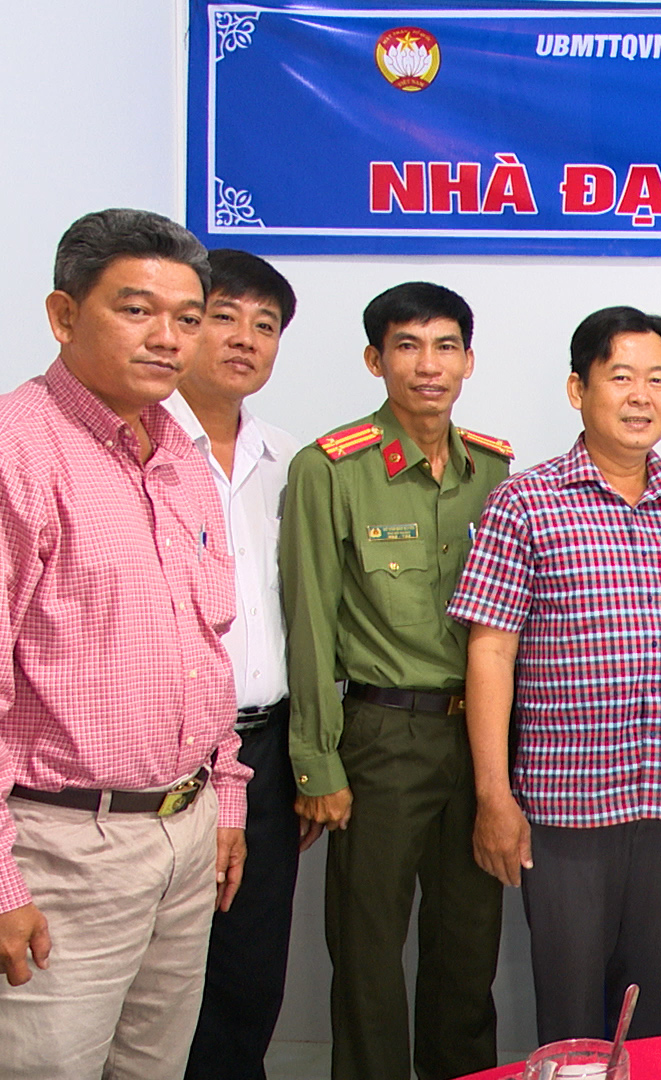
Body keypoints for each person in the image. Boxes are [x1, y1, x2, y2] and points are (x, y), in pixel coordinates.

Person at [0, 208, 249, 1080]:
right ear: (64, 315)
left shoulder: (179, 454)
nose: (168, 338)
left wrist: (224, 797)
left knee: (153, 1068)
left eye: (188, 317)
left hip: (184, 834)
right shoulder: (17, 452)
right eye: (136, 310)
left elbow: (206, 645)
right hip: (61, 847)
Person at [451, 305, 661, 1042]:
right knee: (571, 1020)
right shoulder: (525, 503)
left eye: (658, 379)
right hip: (565, 809)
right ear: (578, 389)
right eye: (620, 377)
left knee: (657, 1015)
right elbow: (490, 653)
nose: (641, 396)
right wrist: (493, 795)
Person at [281, 281, 513, 1080]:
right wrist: (317, 761)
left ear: (469, 361)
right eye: (407, 347)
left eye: (445, 346)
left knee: (469, 945)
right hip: (382, 736)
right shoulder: (331, 469)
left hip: (479, 737)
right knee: (369, 951)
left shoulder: (495, 470)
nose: (428, 365)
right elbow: (310, 620)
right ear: (375, 359)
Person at [166, 249, 303, 1080]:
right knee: (165, 975)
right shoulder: (140, 449)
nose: (245, 339)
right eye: (224, 317)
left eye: (266, 325)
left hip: (268, 748)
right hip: (169, 751)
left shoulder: (290, 460)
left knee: (251, 968)